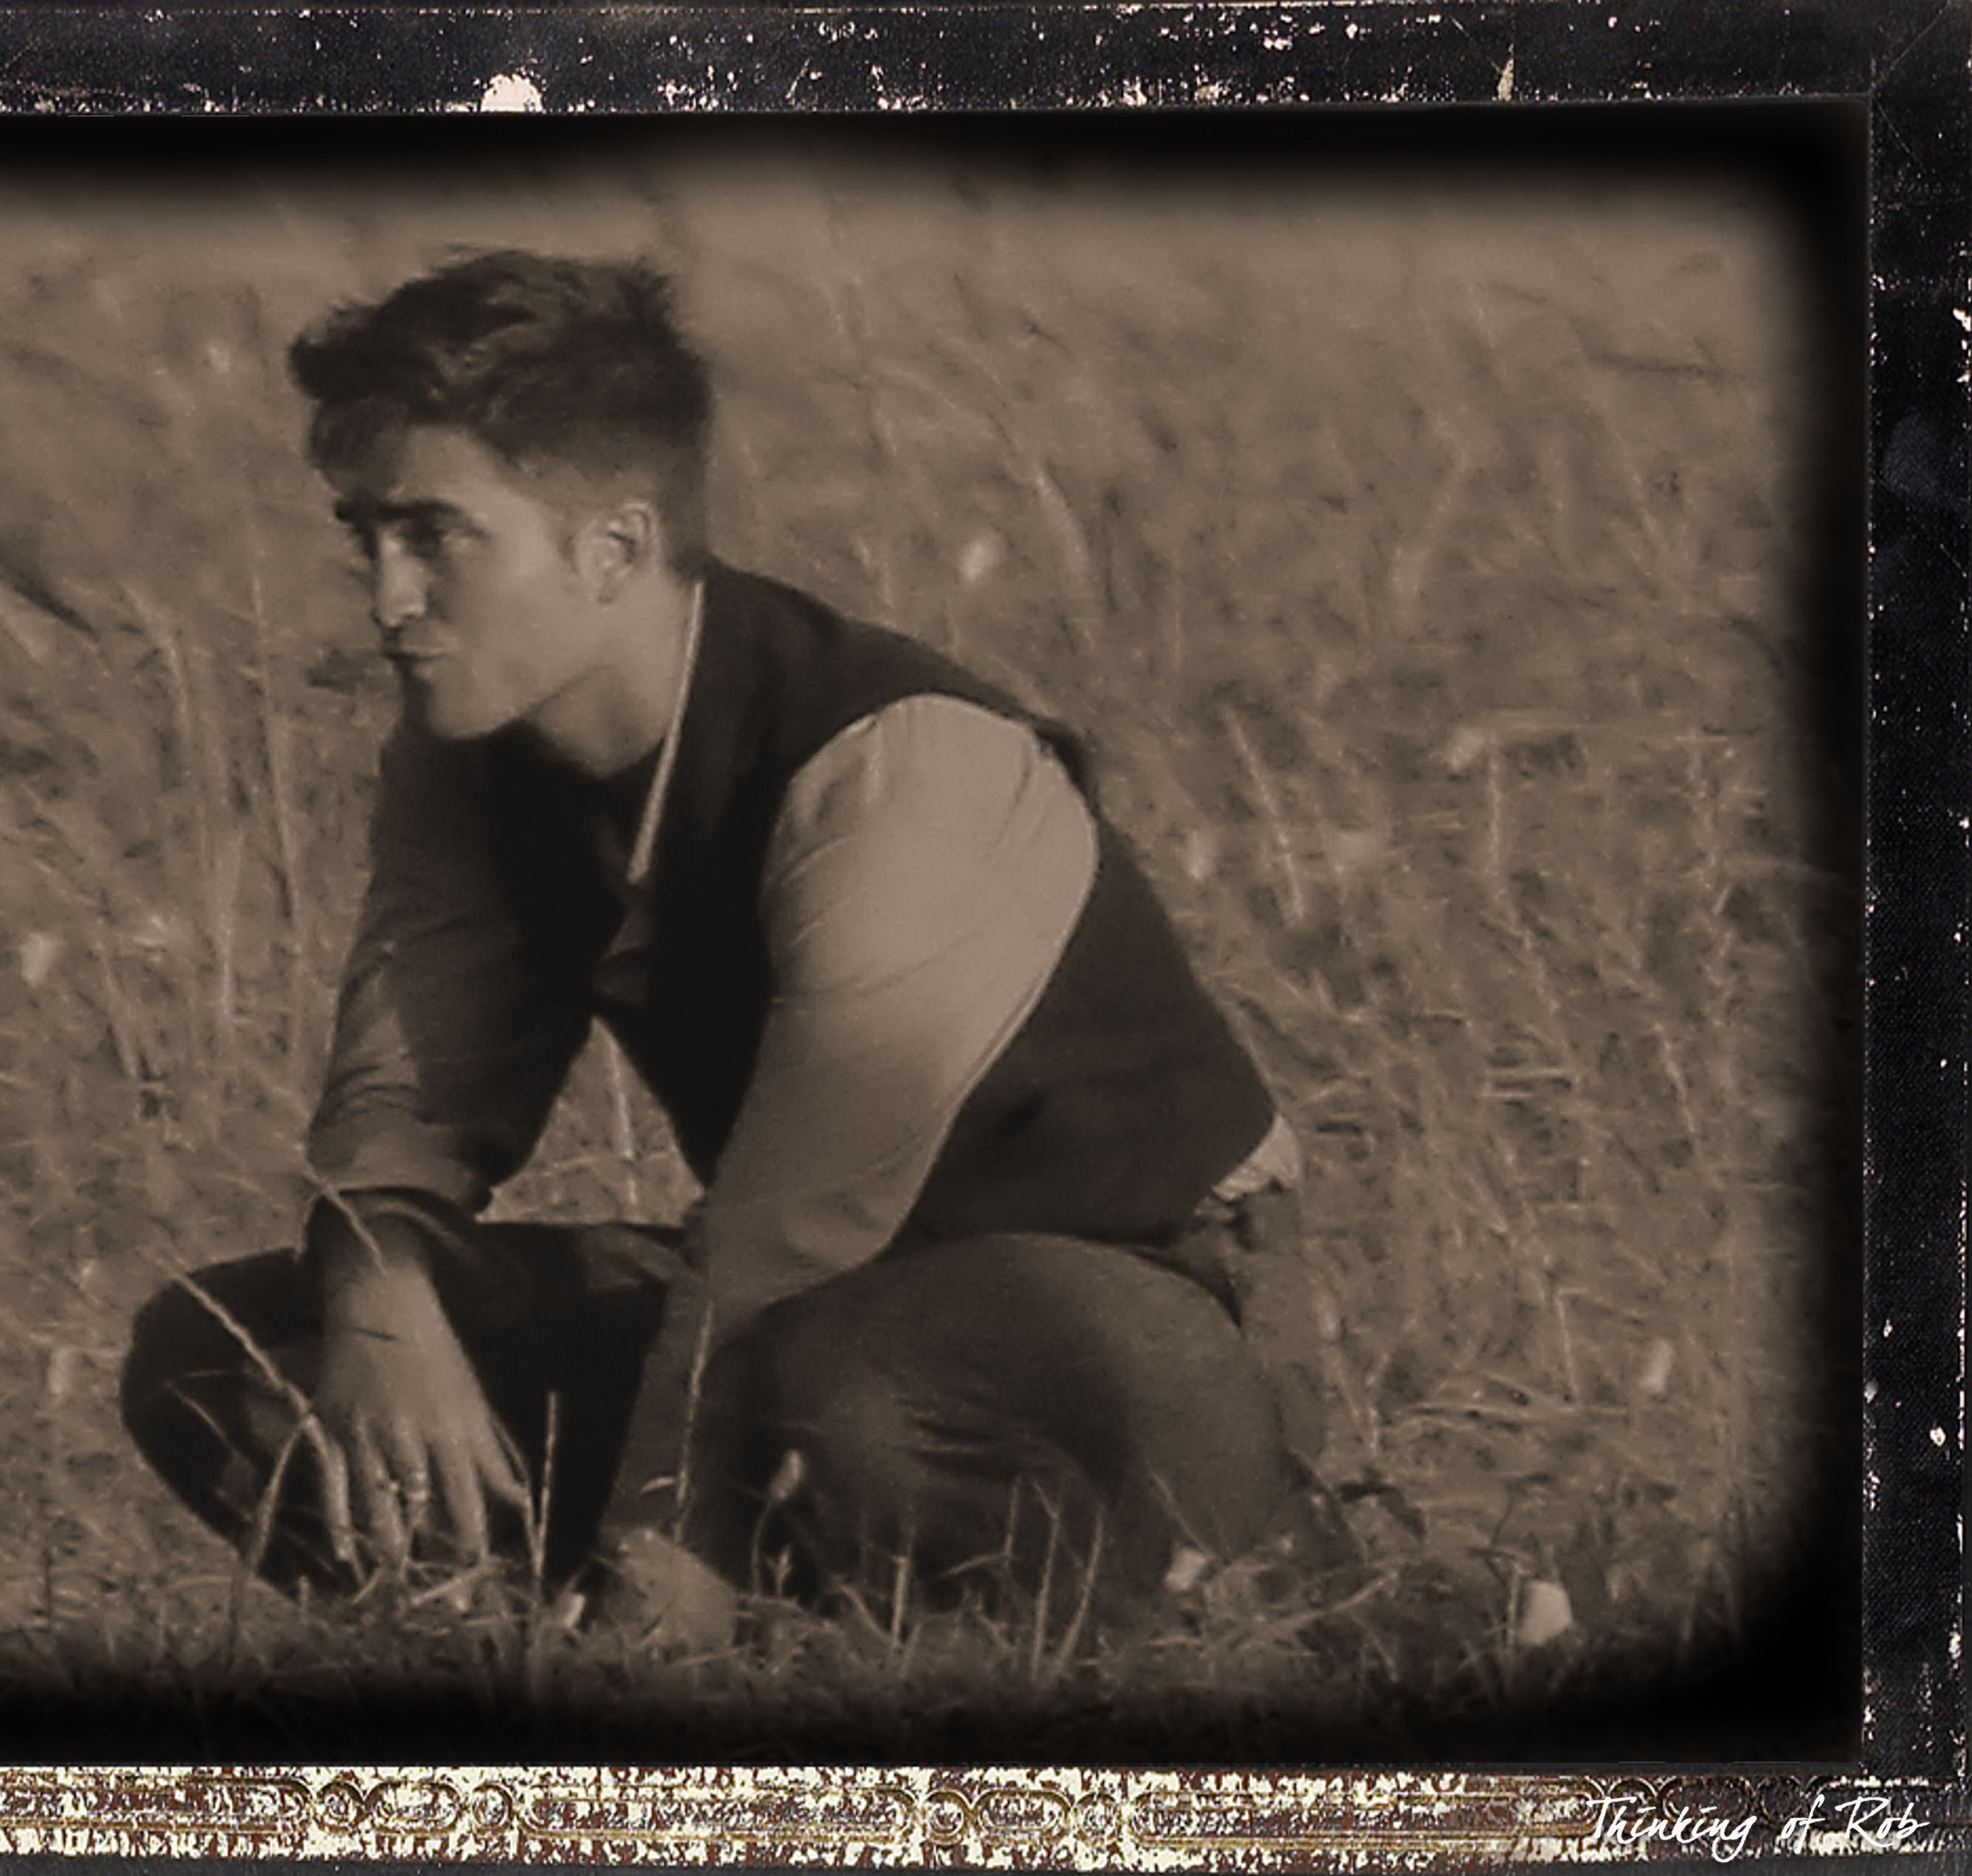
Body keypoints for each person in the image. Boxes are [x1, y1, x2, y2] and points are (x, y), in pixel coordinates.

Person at [122, 251, 1338, 1646]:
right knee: (226, 1355)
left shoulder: (898, 764)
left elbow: (787, 1238)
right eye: (365, 536)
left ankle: (1168, 1635)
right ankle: (536, 1655)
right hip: (806, 1322)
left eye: (435, 535)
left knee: (846, 1381)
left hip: (1127, 1326)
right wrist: (379, 1286)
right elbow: (409, 1100)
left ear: (614, 548)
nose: (386, 597)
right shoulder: (472, 754)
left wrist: (656, 1563)